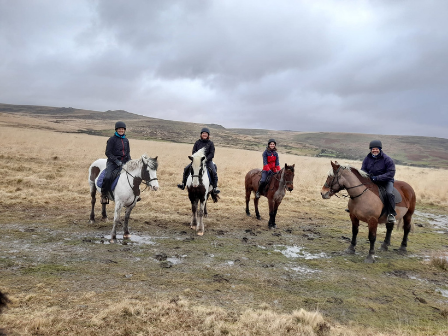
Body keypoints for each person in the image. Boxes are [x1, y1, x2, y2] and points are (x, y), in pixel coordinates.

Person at [361, 140, 396, 223]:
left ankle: (391, 213)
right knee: (360, 190)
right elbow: (363, 169)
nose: (375, 150)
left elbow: (391, 173)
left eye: (376, 149)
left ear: (380, 149)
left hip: (386, 181)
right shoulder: (367, 158)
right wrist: (366, 176)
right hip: (371, 180)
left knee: (389, 193)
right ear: (370, 150)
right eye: (373, 149)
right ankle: (355, 207)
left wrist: (377, 178)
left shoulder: (387, 159)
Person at [177, 127, 220, 194]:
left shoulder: (211, 143)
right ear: (201, 134)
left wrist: (205, 159)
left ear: (208, 135)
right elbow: (194, 151)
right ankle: (183, 183)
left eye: (206, 133)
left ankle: (215, 187)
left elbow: (211, 153)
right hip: (197, 162)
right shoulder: (197, 142)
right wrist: (196, 158)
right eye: (203, 133)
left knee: (214, 171)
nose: (204, 134)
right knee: (186, 168)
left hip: (207, 161)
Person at [101, 121, 131, 204]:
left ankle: (134, 195)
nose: (121, 130)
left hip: (124, 162)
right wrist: (116, 161)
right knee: (107, 177)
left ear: (124, 130)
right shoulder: (111, 140)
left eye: (122, 129)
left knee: (133, 176)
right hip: (112, 163)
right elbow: (108, 153)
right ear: (116, 130)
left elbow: (127, 153)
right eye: (119, 129)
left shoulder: (126, 140)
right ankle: (104, 194)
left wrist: (130, 161)